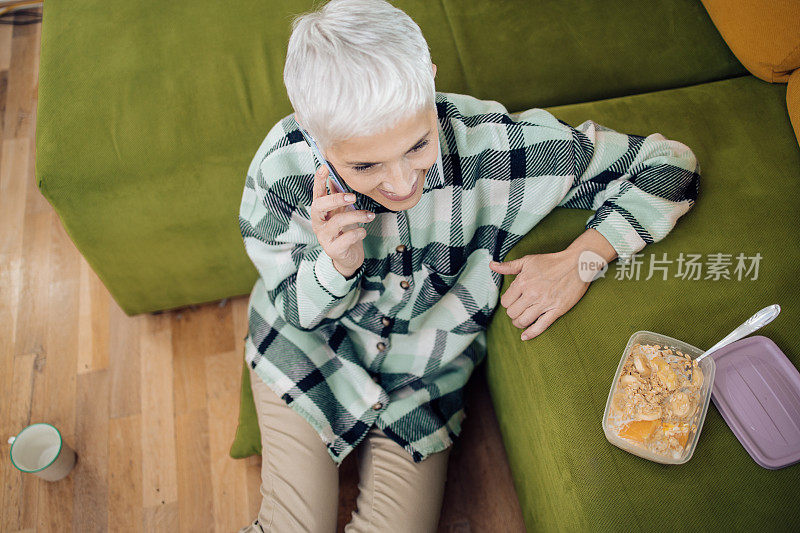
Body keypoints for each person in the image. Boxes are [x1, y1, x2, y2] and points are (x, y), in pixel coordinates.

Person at [237, 0, 700, 531]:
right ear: (311, 130)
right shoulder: (280, 173)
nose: (402, 182)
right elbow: (296, 310)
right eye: (364, 165)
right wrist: (335, 267)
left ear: (430, 83)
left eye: (419, 144)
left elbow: (670, 166)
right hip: (306, 349)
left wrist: (583, 258)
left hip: (424, 377)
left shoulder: (496, 148)